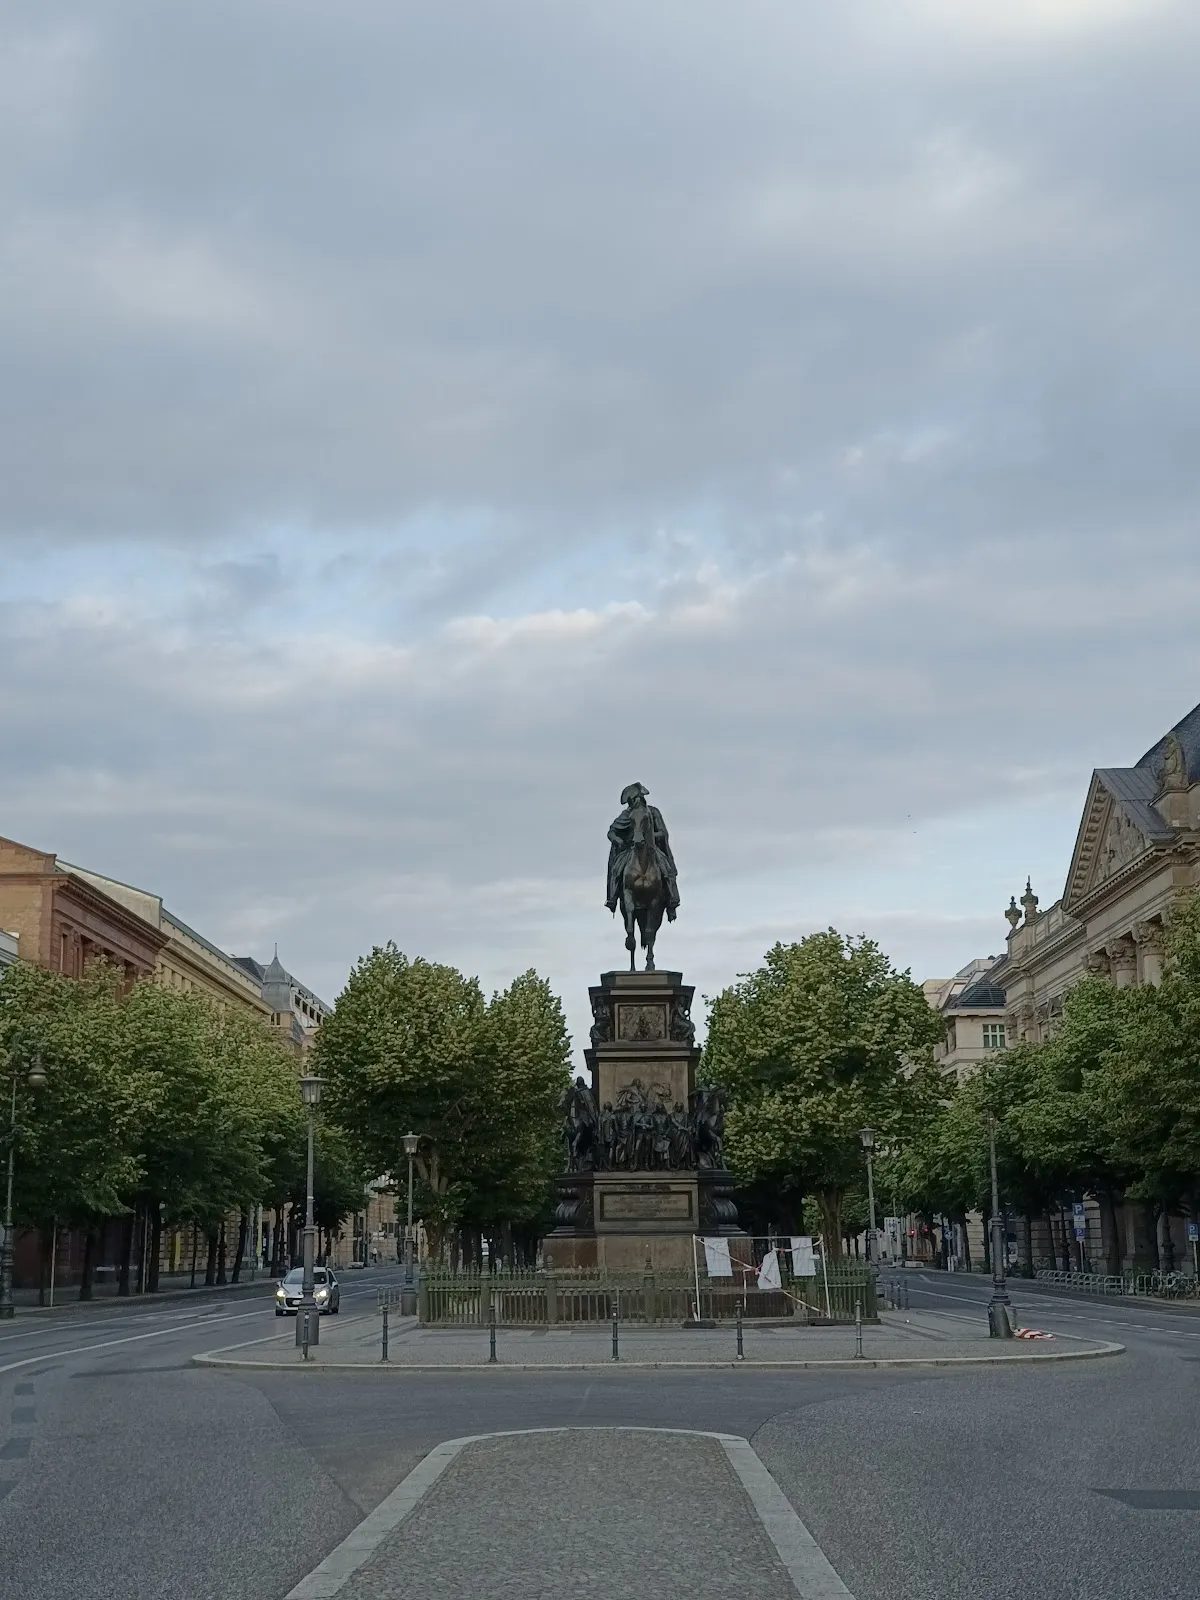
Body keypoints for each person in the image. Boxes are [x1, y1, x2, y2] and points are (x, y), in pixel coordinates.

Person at [604, 783, 680, 919]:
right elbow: (611, 832)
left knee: (667, 870)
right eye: (634, 800)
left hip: (651, 848)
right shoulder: (626, 814)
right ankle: (612, 898)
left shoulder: (653, 812)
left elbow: (663, 832)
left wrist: (649, 836)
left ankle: (672, 901)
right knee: (616, 870)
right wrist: (618, 840)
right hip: (630, 849)